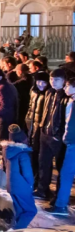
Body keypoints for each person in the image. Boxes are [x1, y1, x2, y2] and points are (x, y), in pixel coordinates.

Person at [46, 76, 75, 215]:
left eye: (67, 85)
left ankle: (60, 206)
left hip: (73, 144)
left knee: (66, 174)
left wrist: (67, 138)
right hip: (71, 142)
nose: (64, 88)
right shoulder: (71, 100)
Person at [0, 125, 37, 227]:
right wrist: (30, 185)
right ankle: (17, 231)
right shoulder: (23, 154)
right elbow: (27, 173)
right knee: (31, 211)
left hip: (11, 186)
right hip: (22, 187)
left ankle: (18, 229)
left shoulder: (7, 150)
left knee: (20, 210)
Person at [0, 69, 19, 141]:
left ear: (0, 77)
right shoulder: (3, 86)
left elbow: (5, 106)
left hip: (5, 119)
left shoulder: (3, 88)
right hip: (8, 117)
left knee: (4, 140)